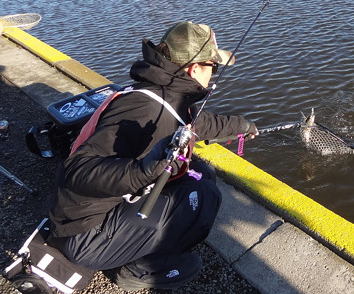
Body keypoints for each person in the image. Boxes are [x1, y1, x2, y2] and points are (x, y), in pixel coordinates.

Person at [49, 21, 258, 291]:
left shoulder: (165, 94)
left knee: (202, 172)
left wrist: (241, 125)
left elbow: (195, 123)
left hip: (103, 209)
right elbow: (77, 171)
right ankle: (138, 270)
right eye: (213, 67)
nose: (213, 75)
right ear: (195, 69)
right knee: (202, 194)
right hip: (83, 234)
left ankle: (143, 243)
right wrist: (145, 169)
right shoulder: (142, 108)